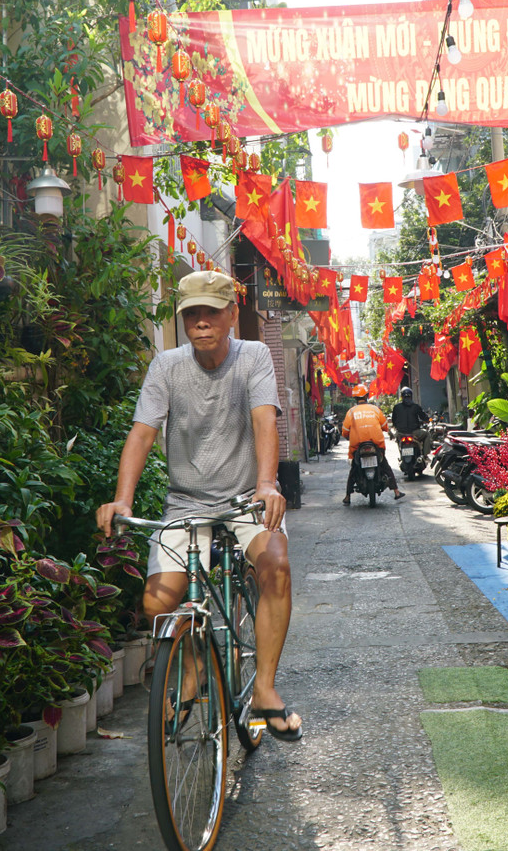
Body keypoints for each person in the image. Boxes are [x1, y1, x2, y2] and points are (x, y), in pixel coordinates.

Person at [97, 270, 302, 741]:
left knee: (275, 564)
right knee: (158, 604)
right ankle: (192, 670)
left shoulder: (254, 357)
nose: (202, 321)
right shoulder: (167, 366)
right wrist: (122, 500)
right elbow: (143, 433)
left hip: (247, 500)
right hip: (186, 502)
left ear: (232, 314)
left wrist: (267, 484)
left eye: (212, 311)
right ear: (182, 320)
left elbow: (265, 421)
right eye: (192, 313)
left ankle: (265, 691)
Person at [341, 389, 405, 505]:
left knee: (354, 469)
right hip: (376, 445)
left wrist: (348, 435)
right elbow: (385, 426)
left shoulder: (351, 412)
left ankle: (347, 496)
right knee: (385, 466)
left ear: (355, 398)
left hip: (358, 446)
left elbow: (345, 431)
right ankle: (396, 492)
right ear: (367, 396)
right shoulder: (375, 409)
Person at [390, 385, 431, 459]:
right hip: (414, 433)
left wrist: (397, 427)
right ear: (411, 396)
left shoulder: (396, 407)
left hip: (401, 433)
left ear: (402, 397)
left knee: (397, 439)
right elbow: (424, 417)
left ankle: (401, 455)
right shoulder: (416, 406)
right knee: (427, 434)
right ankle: (425, 455)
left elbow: (394, 420)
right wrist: (427, 420)